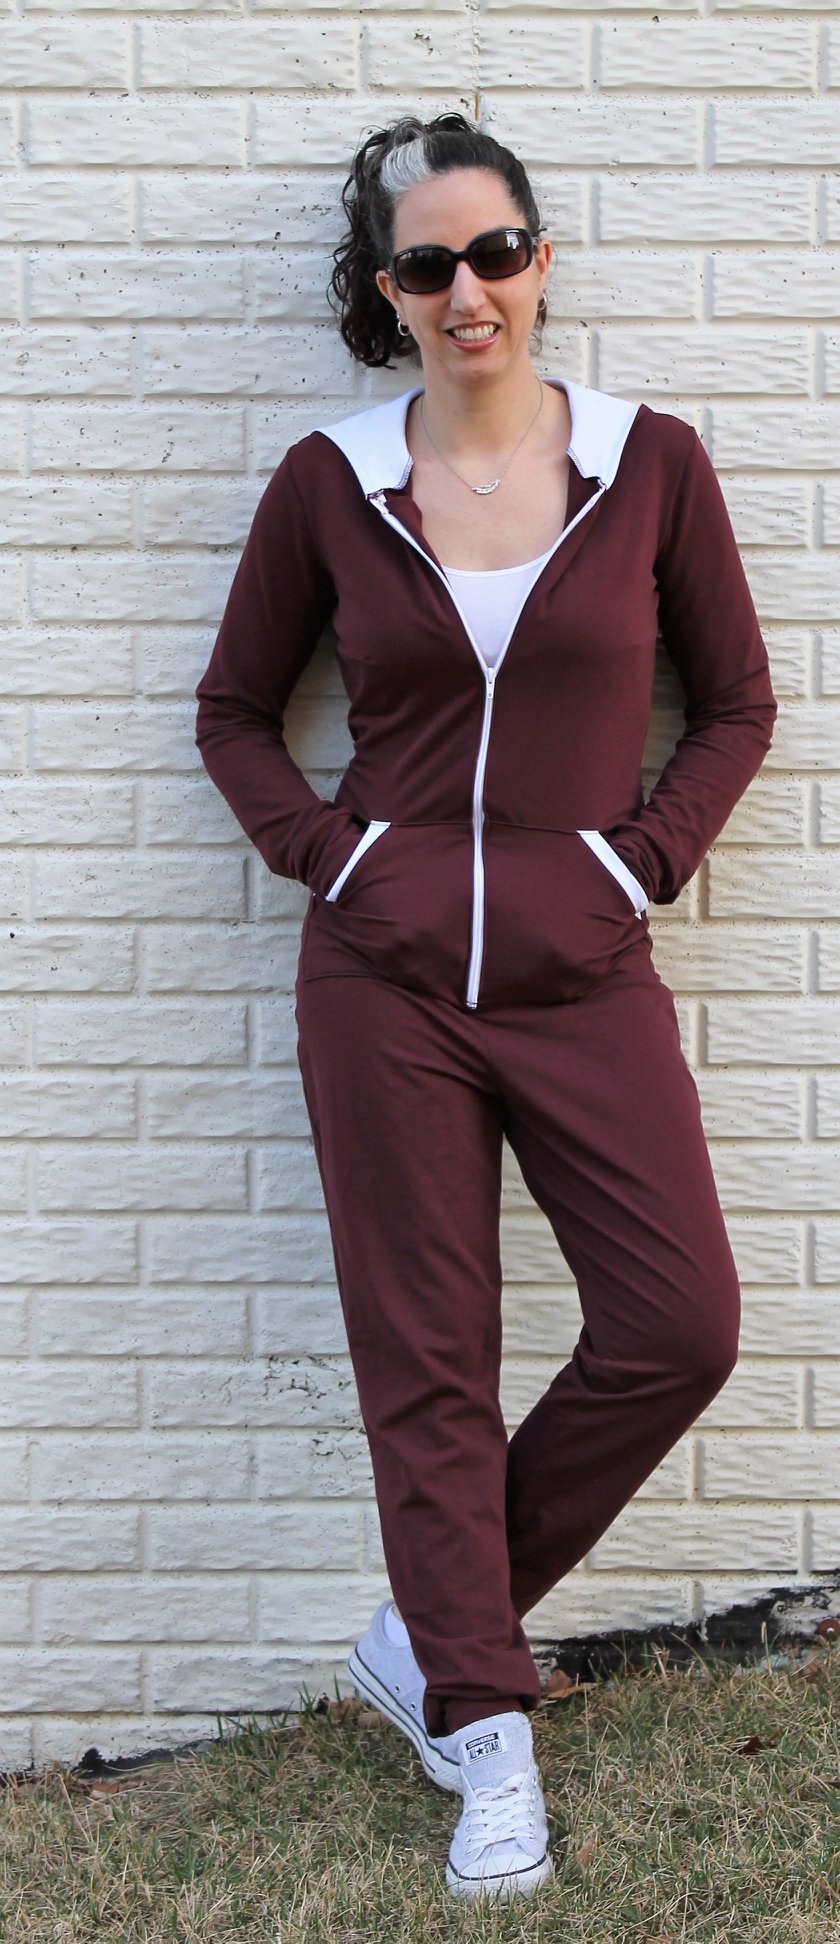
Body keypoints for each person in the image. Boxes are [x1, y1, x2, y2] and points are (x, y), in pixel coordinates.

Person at [194, 111, 777, 1904]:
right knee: (427, 1363)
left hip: (585, 971)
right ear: (386, 291)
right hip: (380, 986)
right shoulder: (331, 480)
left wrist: (635, 863)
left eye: (496, 253)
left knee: (678, 1323)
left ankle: (431, 1635)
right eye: (428, 264)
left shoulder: (646, 464)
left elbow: (737, 705)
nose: (471, 292)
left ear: (539, 260)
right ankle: (486, 1725)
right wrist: (337, 859)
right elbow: (234, 714)